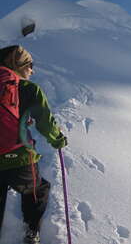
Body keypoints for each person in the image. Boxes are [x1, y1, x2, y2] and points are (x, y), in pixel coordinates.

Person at [0, 45, 67, 244]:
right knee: (38, 189)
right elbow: (45, 122)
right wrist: (57, 139)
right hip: (19, 157)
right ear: (18, 64)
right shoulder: (30, 89)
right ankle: (31, 231)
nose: (32, 70)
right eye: (30, 65)